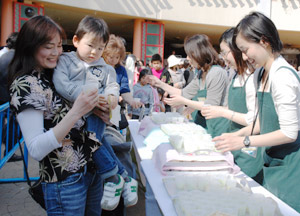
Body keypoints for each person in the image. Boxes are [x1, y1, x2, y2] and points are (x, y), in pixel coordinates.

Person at [8, 15, 103, 215]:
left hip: (90, 169)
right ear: (30, 46)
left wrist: (97, 109)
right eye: (48, 46)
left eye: (59, 45)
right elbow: (35, 148)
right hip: (65, 179)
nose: (56, 53)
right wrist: (77, 111)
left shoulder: (54, 73)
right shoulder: (26, 85)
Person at [213, 12, 300, 212]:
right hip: (272, 161)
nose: (244, 57)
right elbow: (261, 122)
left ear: (264, 41)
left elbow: (289, 133)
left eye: (245, 49)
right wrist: (234, 135)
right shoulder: (261, 74)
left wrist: (245, 141)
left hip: (291, 167)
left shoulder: (283, 76)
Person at [53, 16, 137, 211]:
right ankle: (121, 177)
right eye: (90, 45)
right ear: (75, 41)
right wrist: (89, 98)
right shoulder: (65, 61)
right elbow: (62, 84)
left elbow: (113, 87)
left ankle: (113, 177)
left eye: (100, 48)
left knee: (92, 137)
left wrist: (111, 98)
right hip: (76, 117)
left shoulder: (107, 69)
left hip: (96, 115)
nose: (94, 52)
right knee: (98, 141)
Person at [201, 28, 263, 182]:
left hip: (250, 150)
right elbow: (237, 109)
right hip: (236, 146)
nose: (223, 58)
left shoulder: (253, 77)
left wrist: (222, 112)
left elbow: (253, 120)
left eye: (225, 52)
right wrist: (221, 110)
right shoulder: (236, 75)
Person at [147, 34, 229, 137]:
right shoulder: (200, 73)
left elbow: (211, 106)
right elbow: (183, 93)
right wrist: (159, 83)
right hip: (203, 125)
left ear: (199, 54)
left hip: (217, 128)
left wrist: (183, 101)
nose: (187, 59)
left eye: (189, 55)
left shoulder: (216, 73)